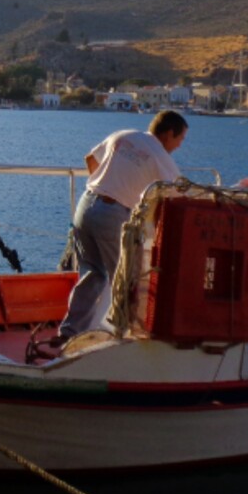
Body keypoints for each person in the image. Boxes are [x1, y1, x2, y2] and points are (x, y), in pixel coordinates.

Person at [56, 110, 188, 343]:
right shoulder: (159, 155)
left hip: (86, 205)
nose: (180, 145)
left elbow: (91, 159)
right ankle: (124, 337)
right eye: (180, 139)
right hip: (112, 214)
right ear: (169, 134)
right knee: (129, 277)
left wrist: (107, 188)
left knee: (92, 274)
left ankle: (69, 333)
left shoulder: (123, 135)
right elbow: (178, 195)